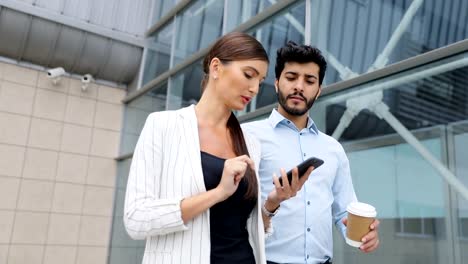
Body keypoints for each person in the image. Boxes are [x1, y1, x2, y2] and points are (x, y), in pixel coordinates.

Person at [124, 32, 311, 264]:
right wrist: (217, 193)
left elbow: (250, 229)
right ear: (216, 68)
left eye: (259, 82)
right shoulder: (163, 126)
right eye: (248, 75)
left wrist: (273, 202)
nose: (254, 89)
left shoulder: (250, 143)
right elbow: (136, 219)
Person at [242, 41, 380, 264]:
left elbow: (344, 213)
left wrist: (365, 235)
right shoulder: (248, 136)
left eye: (309, 81)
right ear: (277, 84)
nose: (299, 86)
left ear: (318, 91)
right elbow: (231, 212)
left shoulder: (333, 148)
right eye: (291, 77)